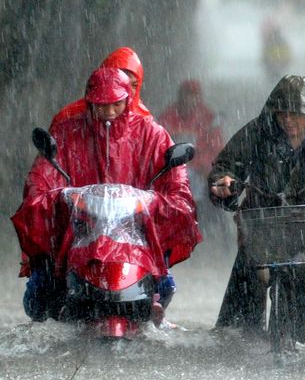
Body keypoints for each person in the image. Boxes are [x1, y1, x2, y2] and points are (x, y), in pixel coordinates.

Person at [12, 68, 201, 324]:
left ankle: (150, 306)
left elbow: (177, 186)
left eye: (116, 104)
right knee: (40, 290)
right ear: (89, 101)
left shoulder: (152, 134)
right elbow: (40, 180)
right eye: (102, 106)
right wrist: (61, 198)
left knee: (164, 283)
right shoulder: (67, 132)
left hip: (137, 236)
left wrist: (155, 202)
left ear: (129, 98)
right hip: (78, 233)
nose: (110, 112)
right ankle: (63, 309)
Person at [208, 75, 305, 347]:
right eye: (283, 113)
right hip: (263, 221)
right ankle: (237, 339)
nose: (289, 120)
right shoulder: (258, 131)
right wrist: (225, 183)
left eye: (296, 114)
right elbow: (227, 165)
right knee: (248, 276)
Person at [159, 80, 225, 237]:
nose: (189, 100)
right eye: (186, 96)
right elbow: (160, 145)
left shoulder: (209, 118)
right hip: (175, 170)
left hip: (201, 171)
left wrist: (204, 166)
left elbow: (216, 147)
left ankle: (215, 234)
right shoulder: (168, 117)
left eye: (193, 96)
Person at [50, 47, 151, 127]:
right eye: (121, 83)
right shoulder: (69, 117)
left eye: (134, 85)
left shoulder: (145, 123)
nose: (129, 91)